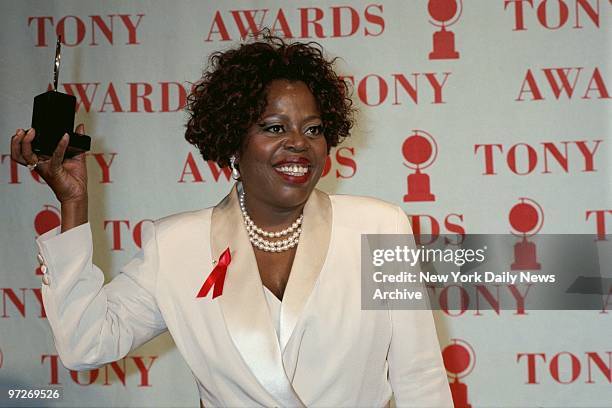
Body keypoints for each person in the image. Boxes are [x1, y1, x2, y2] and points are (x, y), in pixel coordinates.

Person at [10, 35, 453, 407]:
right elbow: (85, 344)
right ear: (232, 142)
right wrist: (74, 204)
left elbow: (420, 379)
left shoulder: (379, 226)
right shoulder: (177, 244)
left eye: (314, 129)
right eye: (274, 128)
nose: (299, 144)